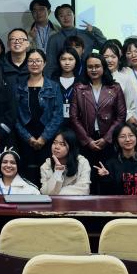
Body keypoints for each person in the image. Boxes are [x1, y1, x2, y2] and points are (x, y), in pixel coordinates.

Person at [69, 53, 126, 186]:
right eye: (90, 67)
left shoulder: (115, 87)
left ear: (103, 67)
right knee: (87, 178)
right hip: (86, 140)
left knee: (108, 177)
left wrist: (106, 139)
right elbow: (74, 117)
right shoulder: (79, 88)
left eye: (97, 66)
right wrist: (87, 140)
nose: (93, 70)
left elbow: (121, 116)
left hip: (109, 140)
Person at [14, 49, 64, 186]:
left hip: (47, 137)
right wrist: (28, 138)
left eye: (38, 61)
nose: (34, 64)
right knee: (26, 176)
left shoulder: (53, 86)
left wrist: (44, 138)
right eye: (31, 61)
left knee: (47, 176)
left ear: (44, 63)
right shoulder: (18, 87)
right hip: (25, 138)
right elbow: (15, 117)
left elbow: (58, 115)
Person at [95, 123, 137, 195]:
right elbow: (106, 195)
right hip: (120, 202)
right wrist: (105, 177)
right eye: (122, 136)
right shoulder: (111, 164)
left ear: (136, 138)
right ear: (116, 139)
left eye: (131, 135)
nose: (127, 139)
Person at [46, 4, 106, 74]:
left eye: (69, 14)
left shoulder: (85, 34)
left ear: (74, 15)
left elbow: (104, 46)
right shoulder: (54, 39)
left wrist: (94, 30)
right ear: (57, 19)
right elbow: (50, 64)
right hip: (63, 76)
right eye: (61, 16)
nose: (66, 18)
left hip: (87, 76)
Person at [39, 130, 91, 195]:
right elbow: (45, 193)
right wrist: (57, 173)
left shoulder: (82, 162)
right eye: (54, 143)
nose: (56, 147)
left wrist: (58, 192)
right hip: (54, 201)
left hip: (75, 201)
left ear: (71, 147)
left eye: (62, 144)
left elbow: (84, 190)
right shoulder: (46, 166)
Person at [103, 41, 137, 127]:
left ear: (118, 59)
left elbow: (131, 105)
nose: (109, 60)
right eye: (106, 57)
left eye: (113, 57)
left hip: (121, 125)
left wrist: (128, 116)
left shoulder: (124, 78)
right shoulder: (96, 78)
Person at [121, 37, 137, 127]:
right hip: (133, 121)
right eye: (129, 53)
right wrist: (128, 116)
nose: (133, 55)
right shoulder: (123, 73)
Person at [55, 47, 80, 120]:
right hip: (56, 123)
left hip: (75, 123)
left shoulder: (81, 82)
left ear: (76, 61)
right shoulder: (52, 82)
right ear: (59, 61)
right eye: (63, 59)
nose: (67, 63)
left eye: (71, 59)